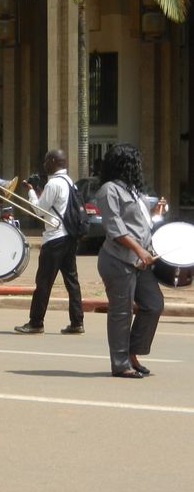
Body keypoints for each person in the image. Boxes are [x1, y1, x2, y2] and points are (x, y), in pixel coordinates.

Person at [95, 143, 165, 379]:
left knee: (153, 304)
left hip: (139, 261)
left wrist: (154, 214)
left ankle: (133, 352)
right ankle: (121, 363)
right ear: (126, 165)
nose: (139, 167)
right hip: (118, 260)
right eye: (136, 162)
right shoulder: (109, 190)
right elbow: (115, 227)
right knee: (121, 312)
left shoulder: (133, 190)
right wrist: (138, 249)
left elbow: (139, 224)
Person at [14, 149, 85, 335]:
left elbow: (39, 211)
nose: (44, 164)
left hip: (54, 238)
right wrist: (39, 192)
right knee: (72, 281)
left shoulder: (53, 183)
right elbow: (53, 206)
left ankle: (36, 322)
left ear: (53, 161)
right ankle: (77, 322)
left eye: (46, 161)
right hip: (69, 236)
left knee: (43, 282)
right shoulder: (69, 182)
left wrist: (31, 192)